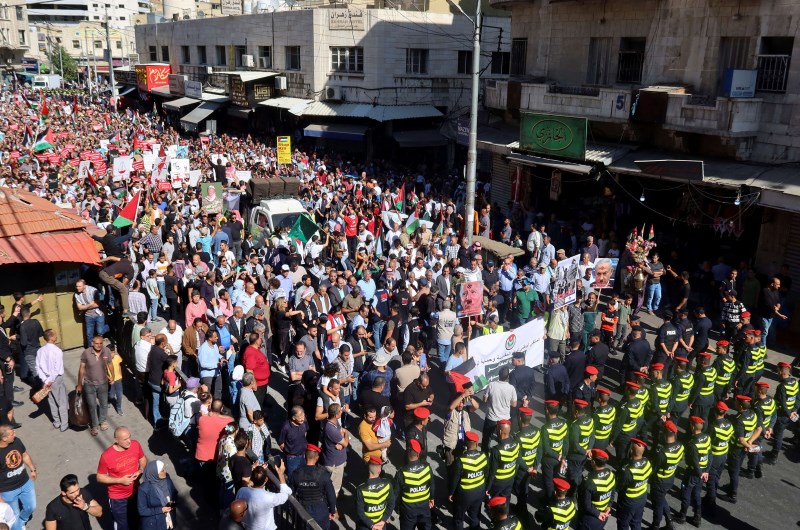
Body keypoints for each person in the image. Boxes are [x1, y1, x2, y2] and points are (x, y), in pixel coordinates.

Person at [97, 427, 147, 530]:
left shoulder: (135, 444)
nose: (129, 441)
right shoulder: (106, 456)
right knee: (122, 525)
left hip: (136, 492)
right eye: (125, 439)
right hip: (118, 499)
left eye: (129, 437)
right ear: (116, 440)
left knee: (137, 519)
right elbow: (99, 477)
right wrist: (120, 480)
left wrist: (140, 470)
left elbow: (142, 459)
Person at [288, 444, 337, 530]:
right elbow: (331, 495)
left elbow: (290, 494)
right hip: (320, 512)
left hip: (303, 512)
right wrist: (332, 511)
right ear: (317, 458)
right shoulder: (323, 475)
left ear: (304, 456)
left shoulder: (296, 474)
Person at [674, 416, 710, 526]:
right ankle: (697, 518)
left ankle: (682, 516)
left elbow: (694, 461)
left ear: (693, 427)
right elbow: (710, 454)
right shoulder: (707, 438)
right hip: (703, 471)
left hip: (692, 473)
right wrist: (706, 471)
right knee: (697, 494)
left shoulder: (692, 444)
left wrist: (700, 474)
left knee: (686, 494)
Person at [234, 462, 292, 530]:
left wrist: (258, 472)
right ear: (266, 479)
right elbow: (287, 493)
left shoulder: (241, 491)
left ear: (252, 478)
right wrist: (281, 474)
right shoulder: (269, 497)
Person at [0, 426, 36, 530]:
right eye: (12, 434)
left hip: (25, 482)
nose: (15, 435)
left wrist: (32, 469)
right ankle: (18, 527)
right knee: (13, 515)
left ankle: (22, 521)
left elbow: (24, 455)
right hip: (8, 490)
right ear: (4, 438)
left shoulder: (17, 441)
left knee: (31, 507)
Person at [449, 430, 486, 530]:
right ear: (477, 444)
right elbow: (486, 473)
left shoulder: (460, 460)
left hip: (464, 494)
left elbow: (455, 480)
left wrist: (451, 493)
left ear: (465, 443)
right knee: (474, 516)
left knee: (458, 518)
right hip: (479, 491)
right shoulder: (483, 456)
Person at [76, 335, 113, 436]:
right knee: (92, 406)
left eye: (101, 343)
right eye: (96, 343)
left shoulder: (106, 351)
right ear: (92, 343)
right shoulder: (86, 353)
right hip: (89, 384)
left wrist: (112, 376)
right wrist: (79, 384)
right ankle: (95, 425)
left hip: (103, 383)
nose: (99, 345)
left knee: (103, 404)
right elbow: (82, 368)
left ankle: (103, 421)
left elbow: (110, 364)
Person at [395, 439, 434, 530]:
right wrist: (431, 498)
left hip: (408, 510)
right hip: (424, 507)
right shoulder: (427, 467)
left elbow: (396, 493)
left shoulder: (401, 472)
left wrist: (398, 508)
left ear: (407, 452)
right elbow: (432, 485)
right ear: (418, 453)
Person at [35, 329, 69, 432]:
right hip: (56, 380)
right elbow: (56, 369)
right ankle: (64, 423)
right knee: (62, 401)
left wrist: (45, 380)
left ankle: (57, 422)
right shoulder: (57, 351)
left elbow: (38, 367)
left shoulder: (40, 351)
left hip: (45, 380)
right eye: (55, 335)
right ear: (51, 337)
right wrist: (50, 380)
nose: (56, 336)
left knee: (52, 401)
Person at [615, 438, 651, 530]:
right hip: (642, 498)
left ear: (631, 450)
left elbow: (619, 486)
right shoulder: (647, 463)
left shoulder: (628, 471)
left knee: (623, 523)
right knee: (636, 522)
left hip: (628, 502)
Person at [481, 366, 518, 452]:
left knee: (486, 439)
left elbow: (484, 399)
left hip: (491, 418)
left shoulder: (491, 385)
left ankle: (485, 456)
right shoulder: (511, 388)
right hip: (504, 420)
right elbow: (514, 404)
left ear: (498, 375)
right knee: (503, 439)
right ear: (508, 377)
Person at [355, 456, 395, 530]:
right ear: (379, 471)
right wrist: (383, 520)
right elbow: (391, 504)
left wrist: (372, 525)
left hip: (365, 526)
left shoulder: (361, 489)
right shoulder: (387, 484)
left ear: (368, 470)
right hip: (381, 525)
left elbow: (359, 512)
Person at [579, 448, 615, 530]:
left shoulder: (589, 482)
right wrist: (609, 506)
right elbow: (612, 493)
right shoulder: (611, 474)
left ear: (593, 462)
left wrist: (598, 513)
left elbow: (586, 505)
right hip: (604, 515)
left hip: (590, 518)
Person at [539, 400, 568, 500]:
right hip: (560, 458)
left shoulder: (545, 428)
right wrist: (563, 457)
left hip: (549, 459)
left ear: (547, 411)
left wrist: (558, 456)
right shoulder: (564, 424)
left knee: (548, 481)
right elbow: (566, 442)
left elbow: (546, 449)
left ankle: (549, 499)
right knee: (556, 478)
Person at [137, 461, 177, 530]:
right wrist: (161, 510)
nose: (165, 471)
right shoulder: (143, 489)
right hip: (155, 525)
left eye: (165, 468)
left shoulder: (167, 479)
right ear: (154, 473)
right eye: (162, 470)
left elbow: (174, 492)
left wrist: (173, 501)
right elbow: (142, 511)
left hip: (170, 522)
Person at [321, 403, 348, 498]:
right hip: (335, 464)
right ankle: (332, 508)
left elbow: (340, 433)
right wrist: (346, 434)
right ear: (336, 415)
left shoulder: (334, 423)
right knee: (334, 489)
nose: (341, 412)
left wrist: (341, 438)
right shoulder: (331, 429)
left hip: (335, 460)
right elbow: (345, 443)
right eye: (340, 411)